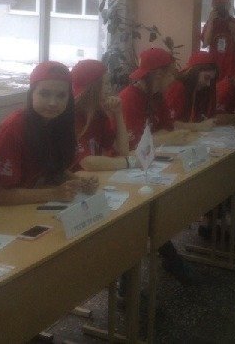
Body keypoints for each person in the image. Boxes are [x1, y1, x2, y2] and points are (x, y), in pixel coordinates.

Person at [118, 48, 194, 283]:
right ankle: (128, 283)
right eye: (170, 74)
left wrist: (163, 137)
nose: (173, 80)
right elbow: (136, 145)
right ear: (158, 75)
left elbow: (165, 129)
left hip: (147, 164)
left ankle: (168, 255)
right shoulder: (129, 98)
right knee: (139, 215)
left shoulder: (156, 96)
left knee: (156, 208)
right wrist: (165, 138)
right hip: (124, 168)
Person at [0, 61, 97, 205]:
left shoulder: (59, 122)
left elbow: (51, 168)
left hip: (37, 204)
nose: (53, 103)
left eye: (61, 96)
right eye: (45, 94)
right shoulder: (13, 128)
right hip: (13, 210)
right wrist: (53, 193)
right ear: (31, 94)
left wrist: (78, 181)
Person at [71, 59, 131, 171]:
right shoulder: (72, 116)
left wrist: (118, 113)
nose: (110, 89)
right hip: (77, 178)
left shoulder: (99, 115)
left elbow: (123, 151)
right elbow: (87, 162)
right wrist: (130, 162)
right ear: (93, 87)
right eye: (106, 84)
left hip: (93, 177)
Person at [201, 0, 235, 80]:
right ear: (213, 6)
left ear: (229, 5)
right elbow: (205, 44)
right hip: (214, 73)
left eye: (223, 3)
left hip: (234, 73)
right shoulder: (210, 24)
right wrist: (211, 22)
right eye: (217, 4)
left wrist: (234, 34)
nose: (221, 7)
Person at [164, 50, 217, 131]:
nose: (208, 84)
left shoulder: (202, 90)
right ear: (194, 73)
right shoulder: (178, 87)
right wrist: (198, 126)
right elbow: (166, 123)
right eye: (206, 78)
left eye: (211, 80)